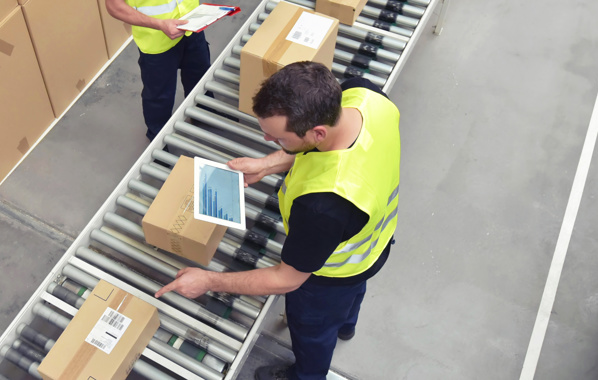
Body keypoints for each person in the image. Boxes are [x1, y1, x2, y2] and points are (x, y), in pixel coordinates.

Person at [154, 61, 400, 380]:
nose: (271, 142)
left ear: (317, 132)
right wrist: (267, 165)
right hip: (372, 243)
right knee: (352, 297)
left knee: (313, 332)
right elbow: (317, 148)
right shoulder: (364, 95)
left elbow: (287, 280)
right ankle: (347, 325)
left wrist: (208, 281)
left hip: (331, 274)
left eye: (279, 139)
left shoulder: (323, 205)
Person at [105, 0, 213, 141]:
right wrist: (159, 24)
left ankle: (202, 114)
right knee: (159, 97)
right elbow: (114, 6)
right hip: (157, 39)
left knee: (200, 75)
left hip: (192, 24)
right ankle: (158, 140)